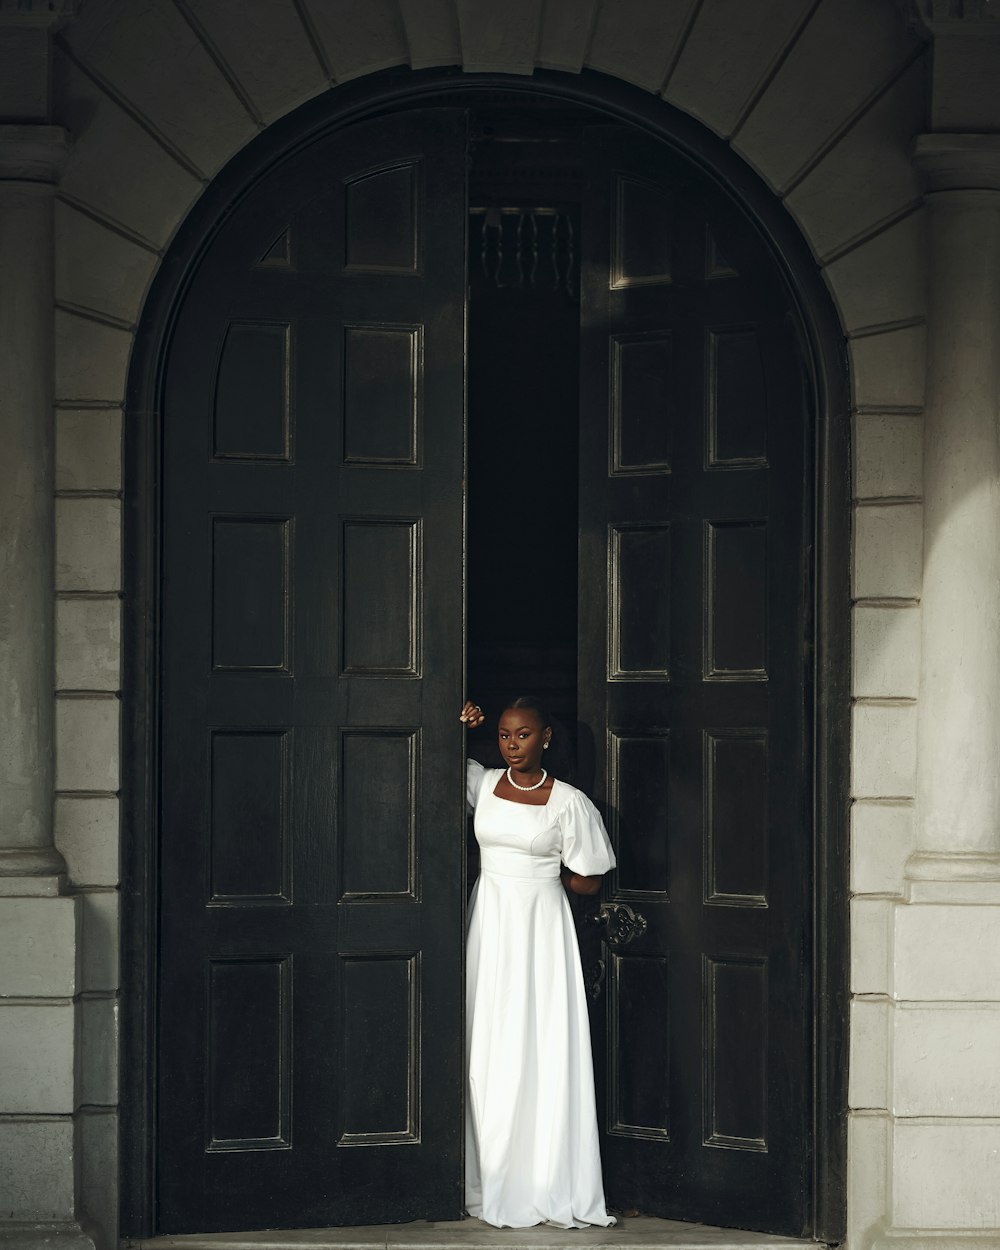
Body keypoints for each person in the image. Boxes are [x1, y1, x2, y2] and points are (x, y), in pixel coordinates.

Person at [459, 695, 617, 1229]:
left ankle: (543, 1179)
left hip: (540, 927)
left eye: (522, 735)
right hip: (492, 919)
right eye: (503, 735)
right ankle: (488, 1170)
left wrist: (548, 874)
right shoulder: (482, 785)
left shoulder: (567, 802)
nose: (511, 745)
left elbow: (589, 877)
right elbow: (428, 755)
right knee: (489, 1039)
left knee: (539, 1041)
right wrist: (456, 721)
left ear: (545, 736)